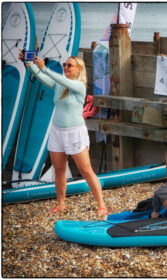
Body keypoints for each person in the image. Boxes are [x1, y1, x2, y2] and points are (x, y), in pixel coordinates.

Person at [19, 50, 108, 215]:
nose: (66, 67)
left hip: (75, 133)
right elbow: (42, 77)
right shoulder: (61, 84)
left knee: (86, 171)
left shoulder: (79, 86)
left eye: (69, 65)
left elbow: (55, 77)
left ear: (78, 69)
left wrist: (45, 68)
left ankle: (102, 204)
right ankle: (61, 204)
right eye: (64, 65)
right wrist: (29, 63)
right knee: (59, 170)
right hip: (57, 132)